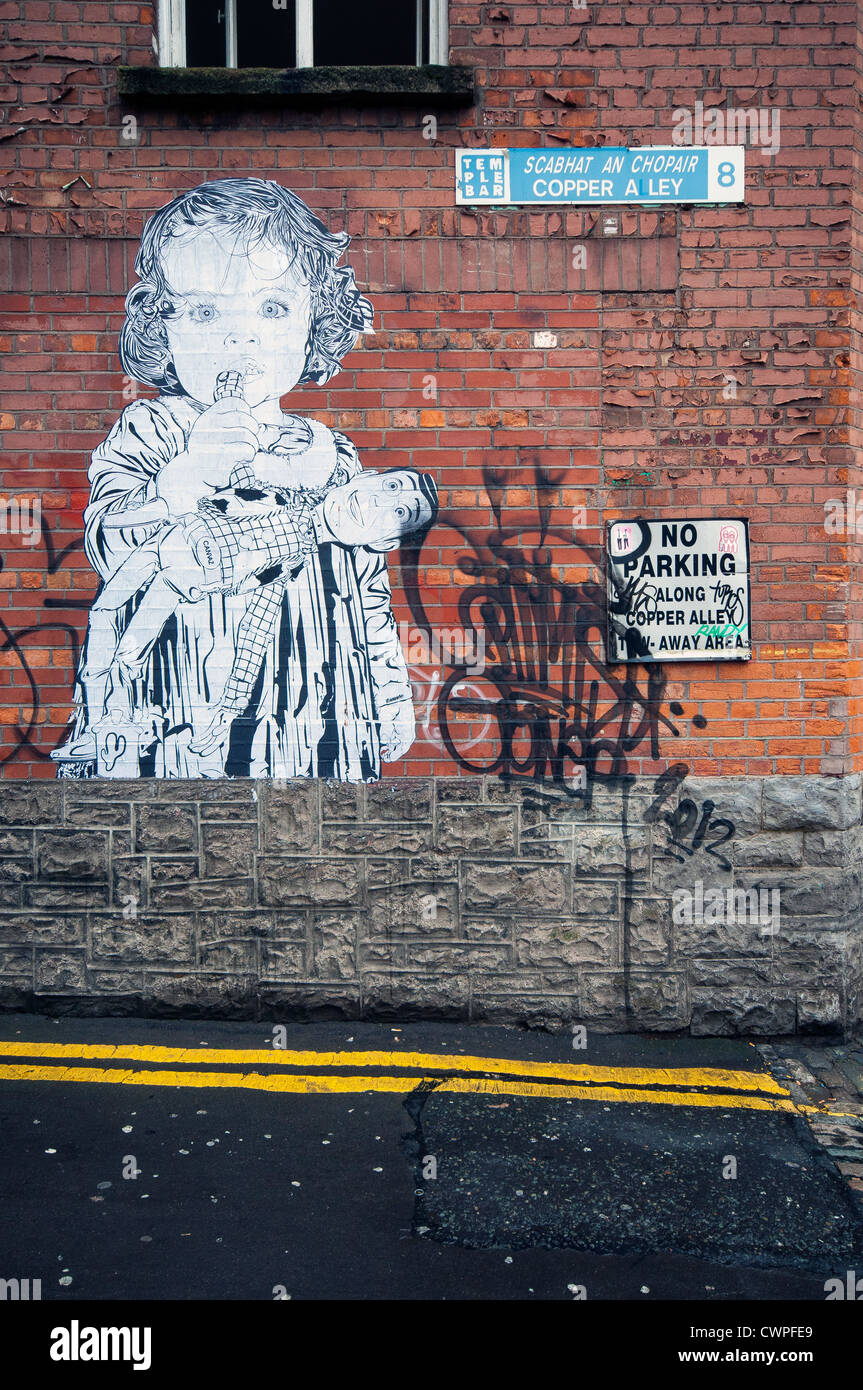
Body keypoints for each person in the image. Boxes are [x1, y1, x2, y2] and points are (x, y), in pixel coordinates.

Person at [55, 178, 433, 780]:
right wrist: (179, 481)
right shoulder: (156, 428)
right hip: (176, 692)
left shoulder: (333, 457)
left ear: (318, 318)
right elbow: (108, 544)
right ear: (161, 324)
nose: (240, 335)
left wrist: (389, 694)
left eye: (273, 307)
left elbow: (368, 590)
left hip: (316, 706)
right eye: (204, 310)